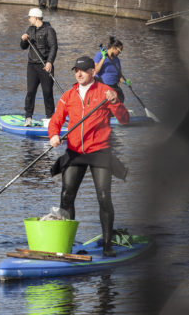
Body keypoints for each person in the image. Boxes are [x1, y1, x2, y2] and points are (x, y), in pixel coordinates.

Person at [48, 56, 130, 257]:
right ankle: (65, 245)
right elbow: (56, 120)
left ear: (93, 72)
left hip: (99, 152)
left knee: (103, 198)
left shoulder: (105, 93)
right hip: (75, 152)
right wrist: (54, 135)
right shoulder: (69, 95)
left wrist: (116, 102)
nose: (79, 73)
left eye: (83, 70)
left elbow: (124, 119)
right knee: (67, 196)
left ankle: (108, 246)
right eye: (76, 70)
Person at [19, 8, 58, 127]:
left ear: (35, 17)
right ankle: (28, 117)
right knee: (30, 91)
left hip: (45, 66)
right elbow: (23, 47)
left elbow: (53, 47)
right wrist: (23, 40)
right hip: (32, 66)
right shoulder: (30, 30)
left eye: (30, 17)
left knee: (47, 92)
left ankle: (50, 117)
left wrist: (50, 62)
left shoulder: (49, 30)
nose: (29, 19)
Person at [94, 36, 128, 103]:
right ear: (113, 48)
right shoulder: (99, 55)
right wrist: (104, 58)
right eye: (119, 51)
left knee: (121, 97)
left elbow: (119, 76)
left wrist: (125, 81)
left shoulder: (117, 60)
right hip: (102, 87)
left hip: (114, 87)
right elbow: (95, 71)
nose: (120, 53)